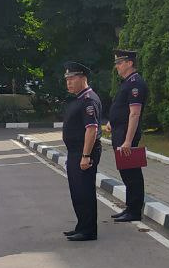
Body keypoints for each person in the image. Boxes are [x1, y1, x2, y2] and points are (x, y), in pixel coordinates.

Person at [61, 62, 102, 242]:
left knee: (84, 191)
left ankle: (88, 230)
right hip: (76, 152)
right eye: (67, 79)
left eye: (72, 79)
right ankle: (81, 226)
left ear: (83, 78)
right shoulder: (79, 99)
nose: (68, 82)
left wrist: (85, 156)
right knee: (77, 191)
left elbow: (91, 129)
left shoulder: (89, 101)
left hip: (84, 152)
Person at [108, 49, 148, 223]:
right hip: (120, 131)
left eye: (120, 62)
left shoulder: (135, 83)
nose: (117, 66)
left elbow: (134, 114)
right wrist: (112, 121)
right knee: (125, 172)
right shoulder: (126, 82)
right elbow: (122, 108)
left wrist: (128, 141)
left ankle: (135, 210)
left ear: (130, 63)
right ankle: (130, 207)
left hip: (127, 134)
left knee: (132, 173)